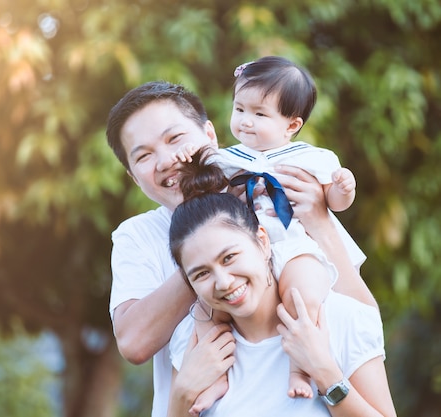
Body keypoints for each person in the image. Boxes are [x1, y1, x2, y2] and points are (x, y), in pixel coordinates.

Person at [105, 81, 376, 417]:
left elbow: (361, 317)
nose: (166, 160)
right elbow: (134, 342)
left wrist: (319, 222)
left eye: (175, 139)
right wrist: (205, 252)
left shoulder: (278, 199)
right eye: (143, 156)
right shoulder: (139, 235)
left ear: (210, 136)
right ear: (133, 176)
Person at [172, 56, 365, 402]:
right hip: (242, 253)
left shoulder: (310, 157)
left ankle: (300, 366)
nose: (246, 122)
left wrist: (342, 189)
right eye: (240, 109)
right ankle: (216, 377)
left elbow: (332, 202)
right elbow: (201, 175)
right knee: (208, 310)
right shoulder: (229, 158)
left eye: (260, 114)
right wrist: (190, 153)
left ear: (291, 125)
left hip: (292, 245)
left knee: (303, 294)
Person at [166, 154, 396, 416]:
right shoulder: (192, 341)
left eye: (229, 257)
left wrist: (325, 373)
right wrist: (182, 393)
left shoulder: (341, 318)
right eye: (201, 274)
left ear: (262, 242)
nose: (224, 282)